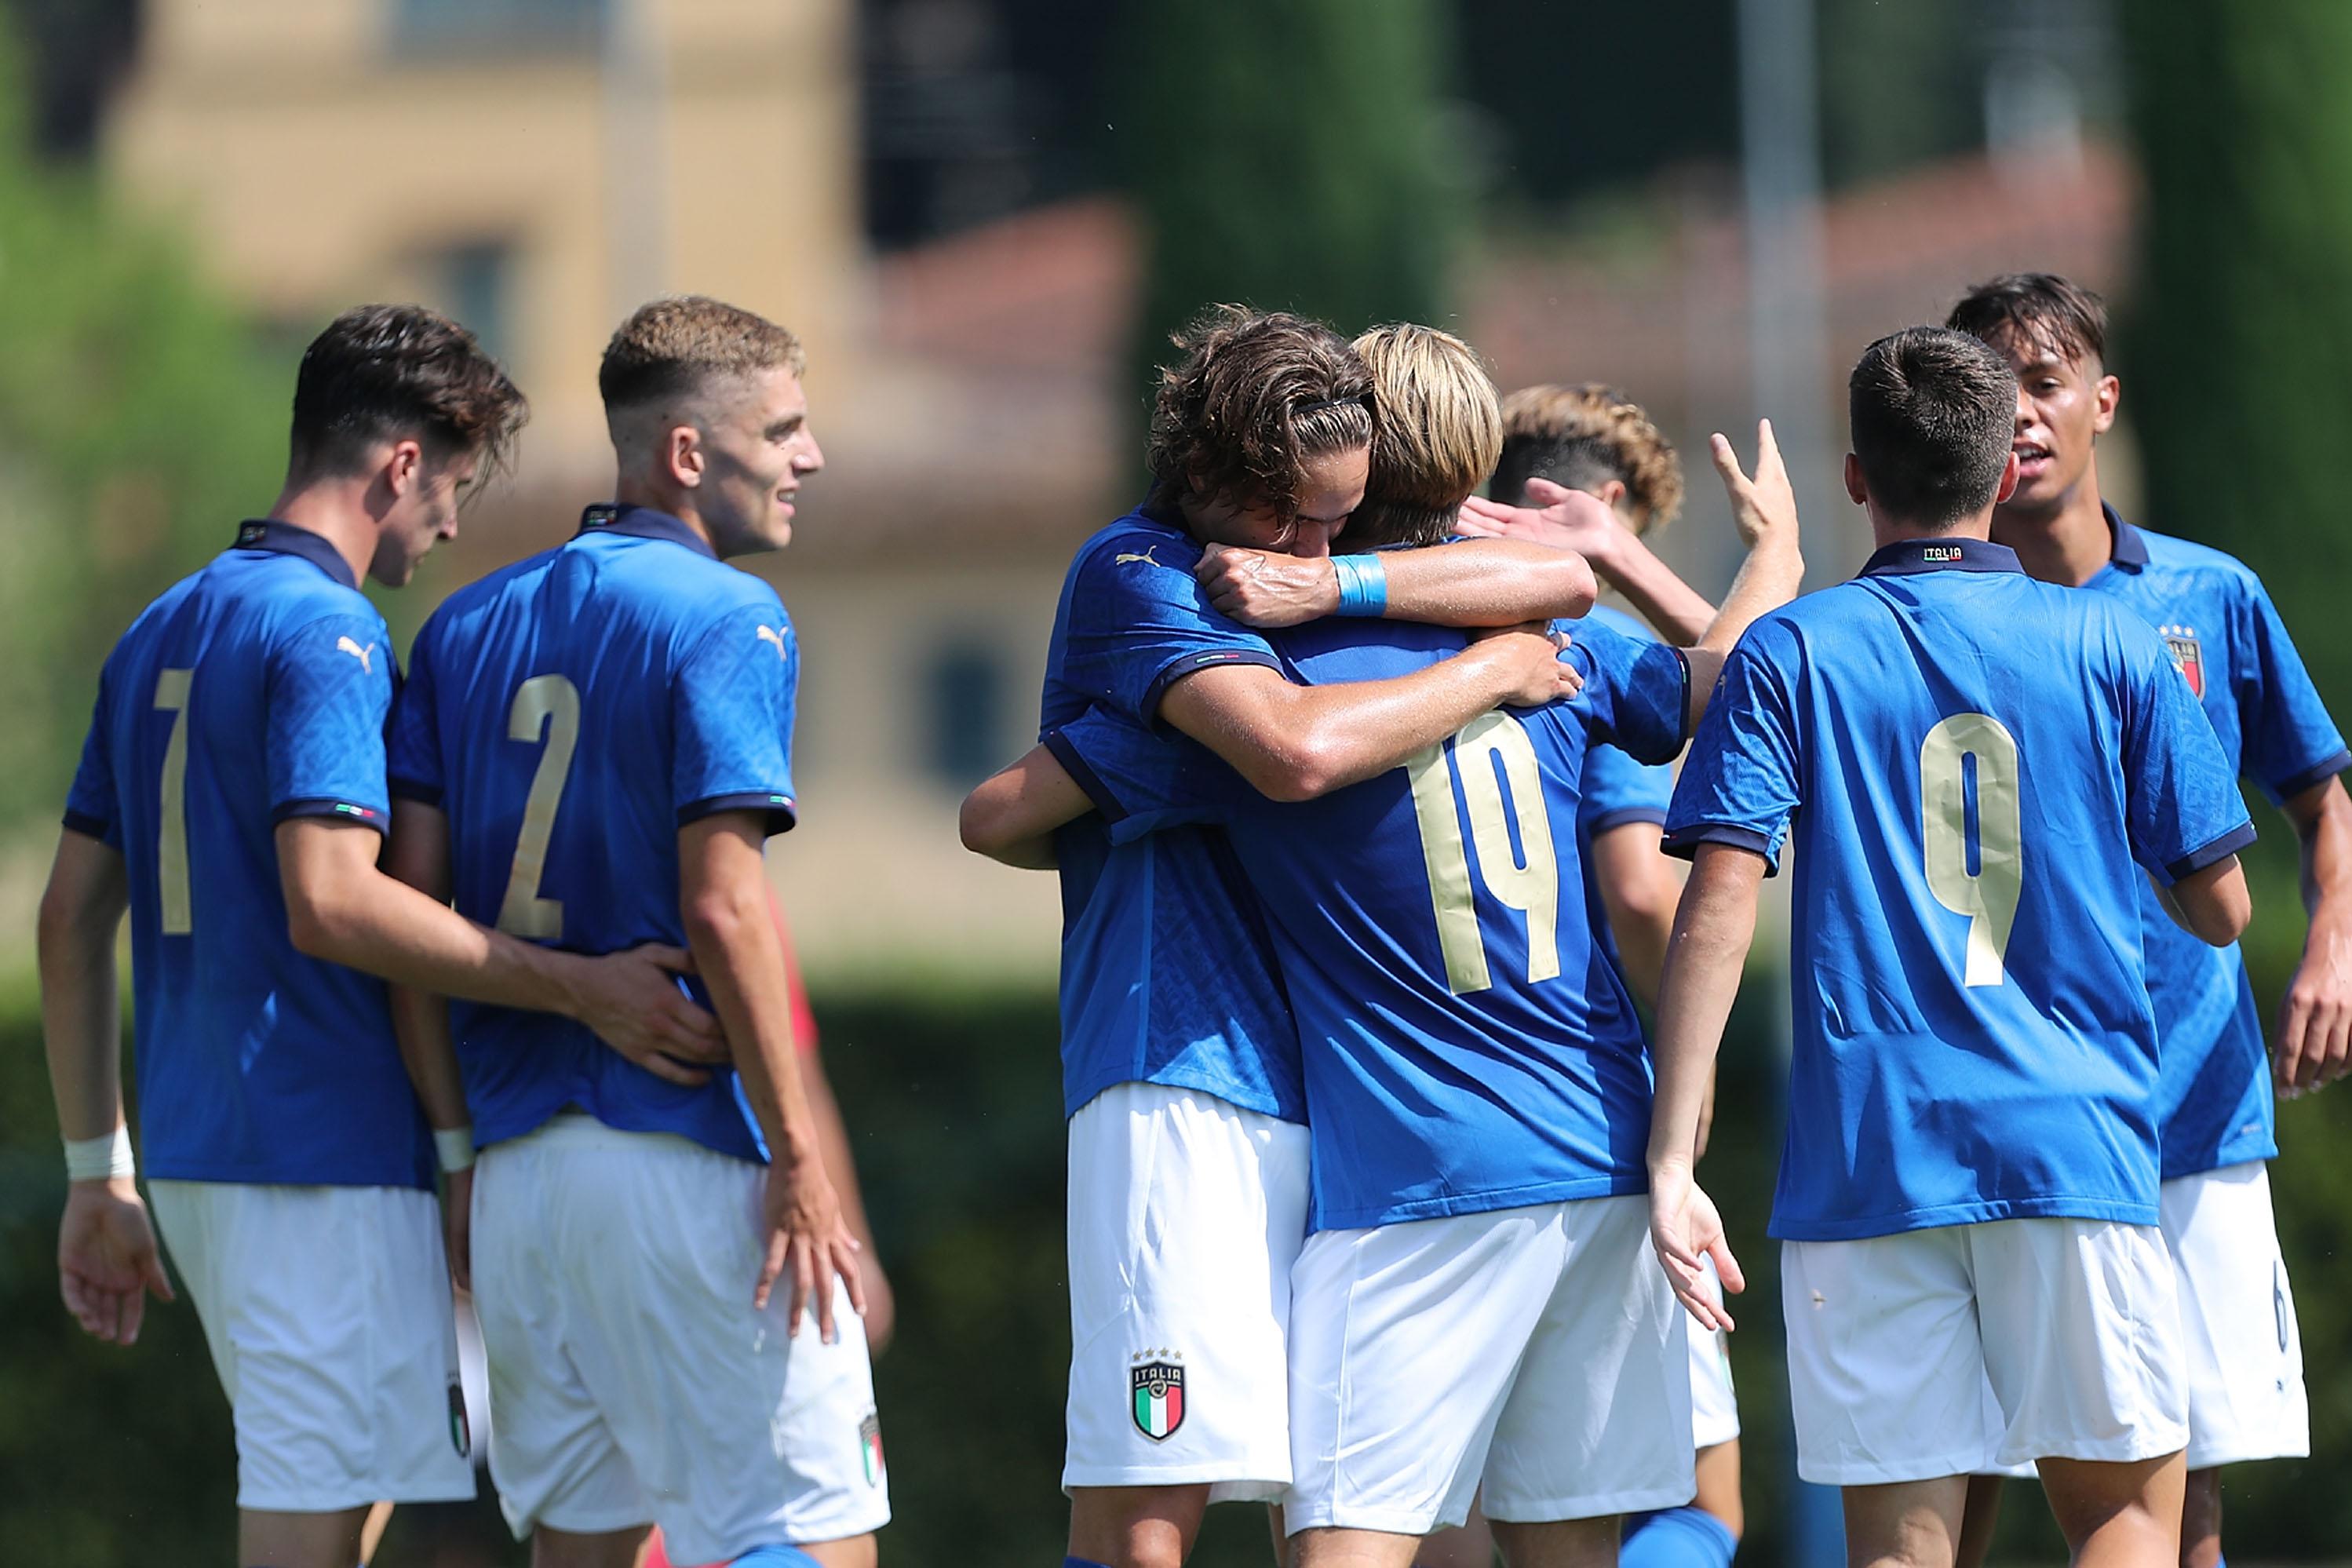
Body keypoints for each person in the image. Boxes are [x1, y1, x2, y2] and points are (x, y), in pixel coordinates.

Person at [966, 323, 1804, 1568]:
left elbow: (1011, 808)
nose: (1303, 548)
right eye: (1294, 518)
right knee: (1588, 1532)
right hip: (1483, 1124)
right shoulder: (1183, 593)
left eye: (1330, 521)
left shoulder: (1287, 646)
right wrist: (1763, 558)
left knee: (1332, 1533)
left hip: (1405, 1162)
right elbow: (1702, 675)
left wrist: (1389, 599)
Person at [37, 303, 718, 1568]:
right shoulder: (330, 631)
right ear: (402, 462)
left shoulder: (159, 628)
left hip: (205, 1156)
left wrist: (97, 1170)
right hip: (317, 1159)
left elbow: (71, 915)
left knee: (337, 1519)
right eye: (452, 486)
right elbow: (333, 897)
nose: (451, 522)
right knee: (306, 1540)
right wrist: (579, 987)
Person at [1647, 326, 2257, 1568]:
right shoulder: (2110, 642)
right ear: (1997, 476)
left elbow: (1717, 894)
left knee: (1899, 1549)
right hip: (2068, 1140)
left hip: (1869, 1155)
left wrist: (1673, 1142)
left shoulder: (1792, 648)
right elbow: (2221, 906)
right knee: (2127, 1520)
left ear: (1856, 479)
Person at [385, 295, 879, 1568]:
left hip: (518, 1183)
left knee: (585, 1548)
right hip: (680, 1148)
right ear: (685, 454)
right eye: (784, 428)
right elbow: (723, 905)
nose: (809, 457)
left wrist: (457, 1159)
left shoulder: (461, 626)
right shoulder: (729, 617)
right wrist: (805, 1159)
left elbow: (412, 920)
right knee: (809, 1535)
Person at [1945, 274, 2346, 1568]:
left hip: (2189, 1096)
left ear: (2101, 402)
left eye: (2044, 384)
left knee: (2195, 1487)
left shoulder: (2207, 595)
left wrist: (2331, 942)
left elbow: (2317, 797)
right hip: (2013, 1111)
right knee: (1975, 1470)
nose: (2018, 416)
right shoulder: (1931, 620)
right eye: (1987, 392)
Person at [1419, 385, 1741, 1568]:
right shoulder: (1577, 666)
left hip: (1422, 1131)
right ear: (1598, 510)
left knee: (1445, 1510)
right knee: (1687, 1505)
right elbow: (1643, 885)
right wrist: (1683, 1077)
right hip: (1590, 1114)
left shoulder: (1402, 652)